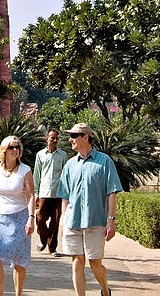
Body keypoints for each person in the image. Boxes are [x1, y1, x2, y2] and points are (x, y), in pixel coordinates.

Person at [58, 122, 123, 296]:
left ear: (85, 137)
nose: (70, 140)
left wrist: (111, 221)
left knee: (95, 263)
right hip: (73, 221)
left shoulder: (104, 161)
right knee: (77, 261)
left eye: (74, 136)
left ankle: (105, 289)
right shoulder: (70, 165)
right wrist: (64, 219)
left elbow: (112, 191)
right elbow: (65, 194)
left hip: (96, 221)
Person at [0, 135, 35, 296]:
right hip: (1, 218)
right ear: (4, 151)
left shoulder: (25, 170)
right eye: (12, 147)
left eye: (17, 147)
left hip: (20, 218)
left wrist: (31, 219)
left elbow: (31, 196)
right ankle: (0, 294)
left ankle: (18, 294)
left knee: (19, 261)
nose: (15, 150)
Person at [33, 126, 67, 255]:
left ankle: (52, 248)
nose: (55, 140)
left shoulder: (63, 155)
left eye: (57, 138)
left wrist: (66, 194)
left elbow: (65, 175)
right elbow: (37, 175)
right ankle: (43, 240)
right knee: (40, 218)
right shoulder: (40, 155)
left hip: (58, 193)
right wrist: (36, 193)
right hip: (44, 193)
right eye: (52, 138)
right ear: (47, 139)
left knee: (55, 222)